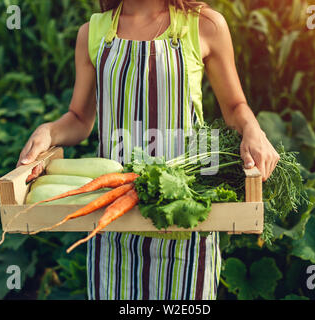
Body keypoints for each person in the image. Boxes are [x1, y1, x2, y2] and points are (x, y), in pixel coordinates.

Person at [16, 0, 280, 300]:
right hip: (112, 218)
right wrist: (48, 131)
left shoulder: (205, 25)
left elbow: (234, 107)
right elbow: (79, 119)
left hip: (185, 214)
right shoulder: (93, 32)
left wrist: (252, 128)